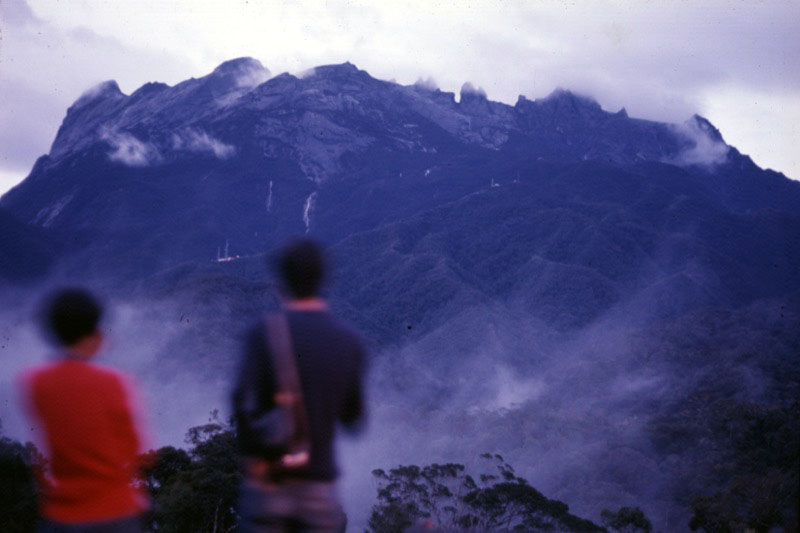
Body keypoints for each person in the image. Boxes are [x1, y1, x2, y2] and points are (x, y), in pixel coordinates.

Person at [233, 239, 367, 532]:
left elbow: (240, 403)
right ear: (324, 279)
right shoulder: (349, 341)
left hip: (269, 488)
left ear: (281, 280)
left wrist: (254, 458)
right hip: (319, 489)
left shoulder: (263, 333)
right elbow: (354, 420)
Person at [19, 288, 149, 533]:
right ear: (95, 332)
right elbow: (136, 450)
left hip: (61, 512)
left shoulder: (36, 382)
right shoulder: (114, 383)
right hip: (115, 512)